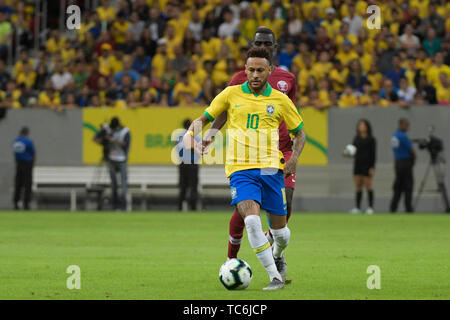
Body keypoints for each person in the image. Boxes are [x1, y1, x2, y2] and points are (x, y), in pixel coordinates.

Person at [184, 47, 305, 290]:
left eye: (260, 70)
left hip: (271, 170)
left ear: (270, 71)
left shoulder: (280, 100)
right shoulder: (230, 94)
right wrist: (190, 135)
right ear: (245, 70)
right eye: (250, 70)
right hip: (240, 170)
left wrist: (293, 160)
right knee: (251, 220)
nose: (255, 75)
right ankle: (275, 277)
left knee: (281, 234)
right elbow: (204, 119)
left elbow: (299, 134)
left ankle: (278, 253)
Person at [95, 117, 131, 211]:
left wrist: (113, 140)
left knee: (123, 184)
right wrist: (103, 133)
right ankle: (115, 205)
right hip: (111, 159)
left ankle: (123, 206)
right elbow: (96, 139)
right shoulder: (109, 131)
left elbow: (125, 144)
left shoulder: (125, 132)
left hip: (122, 159)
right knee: (113, 184)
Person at [344, 120, 376, 214]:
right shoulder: (356, 138)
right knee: (358, 186)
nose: (362, 127)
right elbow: (352, 151)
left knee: (368, 185)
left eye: (363, 125)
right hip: (358, 164)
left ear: (367, 127)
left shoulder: (371, 139)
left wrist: (372, 167)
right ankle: (357, 207)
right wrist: (346, 153)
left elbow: (373, 154)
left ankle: (370, 207)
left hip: (367, 165)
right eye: (360, 125)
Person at [390, 118, 415, 213]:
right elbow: (411, 151)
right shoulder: (403, 136)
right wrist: (413, 160)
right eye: (405, 125)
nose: (407, 127)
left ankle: (393, 207)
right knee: (408, 186)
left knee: (398, 186)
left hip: (398, 162)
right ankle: (408, 208)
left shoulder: (394, 136)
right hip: (405, 163)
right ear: (400, 124)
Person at [176, 119, 200, 211]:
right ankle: (193, 207)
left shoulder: (179, 136)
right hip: (192, 163)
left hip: (182, 164)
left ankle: (180, 207)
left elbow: (177, 149)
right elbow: (199, 148)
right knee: (193, 185)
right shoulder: (195, 136)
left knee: (183, 185)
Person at [12, 126, 35, 210]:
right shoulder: (28, 141)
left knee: (18, 184)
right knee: (27, 184)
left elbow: (15, 153)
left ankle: (16, 203)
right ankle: (26, 204)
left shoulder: (16, 141)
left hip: (18, 164)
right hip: (27, 164)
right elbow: (33, 153)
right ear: (26, 133)